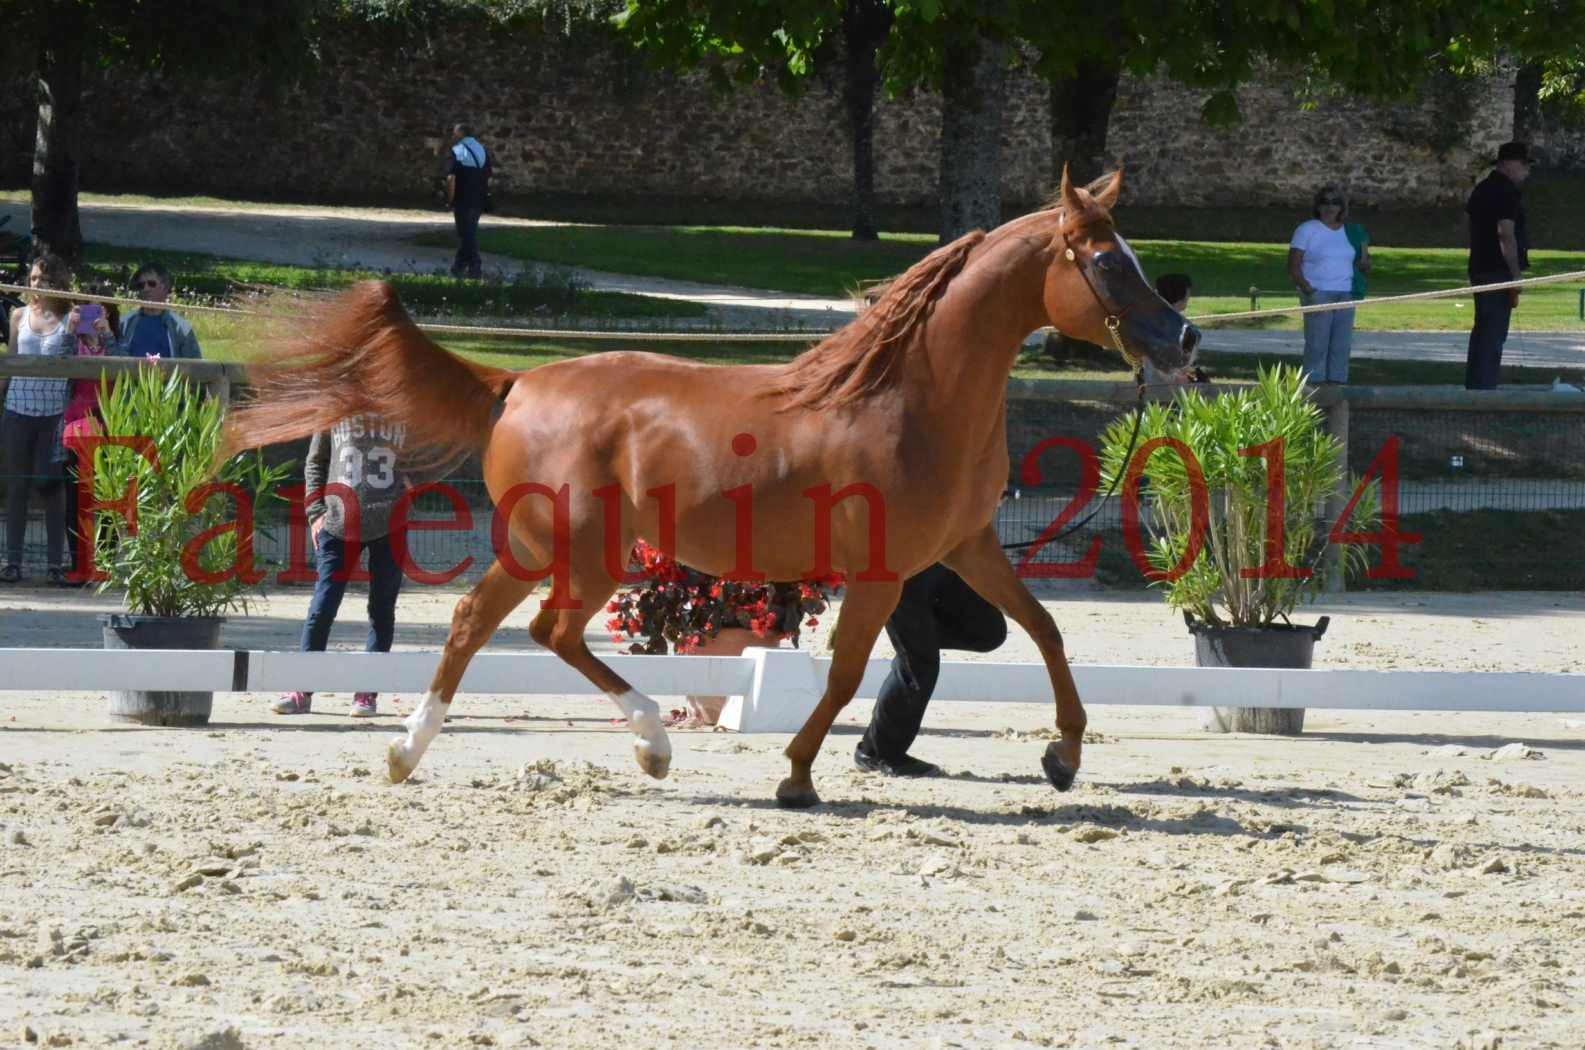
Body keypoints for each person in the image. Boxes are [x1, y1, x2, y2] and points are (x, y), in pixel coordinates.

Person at [273, 414, 417, 718]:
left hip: (390, 521)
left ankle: (367, 691)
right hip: (339, 521)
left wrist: (417, 480)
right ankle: (303, 688)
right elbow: (316, 461)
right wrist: (315, 512)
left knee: (381, 608)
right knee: (323, 606)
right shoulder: (335, 404)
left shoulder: (402, 403)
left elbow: (434, 450)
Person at [854, 562, 1008, 777]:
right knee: (919, 662)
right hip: (898, 565)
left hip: (945, 559)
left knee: (989, 632)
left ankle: (913, 638)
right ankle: (879, 753)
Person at [1, 253, 75, 585]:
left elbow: (91, 351)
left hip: (54, 414)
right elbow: (12, 362)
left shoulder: (71, 316)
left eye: (43, 279)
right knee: (17, 485)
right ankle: (13, 562)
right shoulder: (17, 316)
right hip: (18, 409)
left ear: (57, 282)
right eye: (32, 279)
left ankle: (55, 565)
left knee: (51, 486)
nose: (36, 285)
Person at [1464, 141, 1533, 390]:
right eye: (1523, 165)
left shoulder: (1482, 189)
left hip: (1480, 266)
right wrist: (1515, 275)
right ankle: (1484, 390)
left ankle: (1474, 387)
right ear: (1508, 164)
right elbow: (1506, 233)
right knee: (1493, 335)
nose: (1526, 171)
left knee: (1482, 332)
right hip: (1498, 271)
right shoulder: (1506, 192)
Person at [61, 293, 118, 577]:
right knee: (76, 499)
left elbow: (124, 364)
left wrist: (106, 334)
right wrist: (70, 330)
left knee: (108, 498)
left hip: (109, 428)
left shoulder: (111, 342)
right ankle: (79, 563)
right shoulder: (74, 341)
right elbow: (60, 361)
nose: (88, 318)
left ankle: (106, 563)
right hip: (76, 428)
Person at [1288, 185, 1361, 385]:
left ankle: (1337, 385)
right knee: (1317, 344)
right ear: (1318, 206)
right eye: (1325, 202)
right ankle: (1314, 388)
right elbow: (1293, 265)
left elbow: (1361, 262)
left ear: (1342, 207)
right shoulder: (1307, 229)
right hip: (1318, 293)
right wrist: (1308, 289)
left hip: (1345, 294)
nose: (1330, 207)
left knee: (1341, 344)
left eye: (1335, 202)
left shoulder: (1350, 231)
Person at [118, 262, 202, 359]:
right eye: (141, 285)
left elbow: (195, 366)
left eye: (151, 284)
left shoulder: (181, 328)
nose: (146, 288)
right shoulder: (124, 324)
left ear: (165, 287)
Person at [445, 123, 492, 280]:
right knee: (468, 232)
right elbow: (487, 176)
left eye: (454, 133)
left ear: (460, 135)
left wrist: (450, 199)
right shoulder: (483, 150)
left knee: (466, 233)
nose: (453, 136)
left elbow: (451, 178)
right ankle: (459, 265)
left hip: (462, 197)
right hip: (479, 198)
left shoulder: (458, 151)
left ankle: (475, 264)